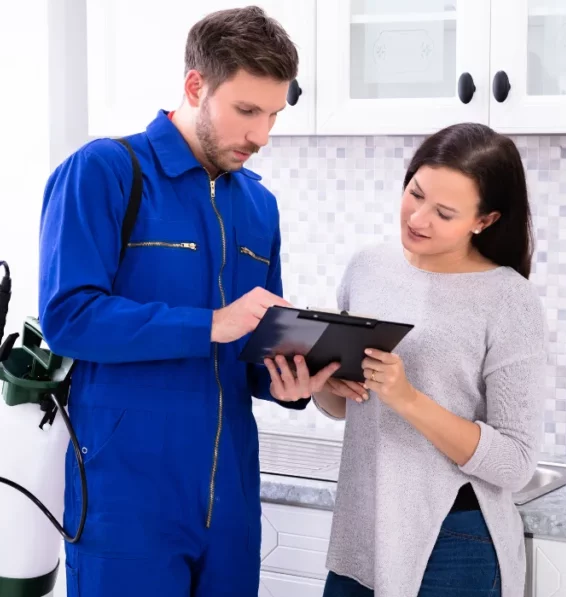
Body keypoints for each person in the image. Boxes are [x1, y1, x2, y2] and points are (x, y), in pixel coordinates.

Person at [37, 7, 337, 597]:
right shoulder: (104, 171)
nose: (261, 136)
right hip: (125, 500)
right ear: (195, 86)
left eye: (273, 114)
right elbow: (68, 318)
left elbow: (246, 348)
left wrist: (286, 379)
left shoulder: (258, 204)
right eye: (247, 111)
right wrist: (209, 325)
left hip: (230, 504)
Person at [313, 122, 548, 597]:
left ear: (484, 220)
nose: (418, 219)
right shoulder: (367, 268)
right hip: (363, 530)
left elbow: (515, 463)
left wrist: (407, 398)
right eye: (415, 194)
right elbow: (343, 406)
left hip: (453, 540)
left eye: (443, 212)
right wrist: (323, 385)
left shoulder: (509, 300)